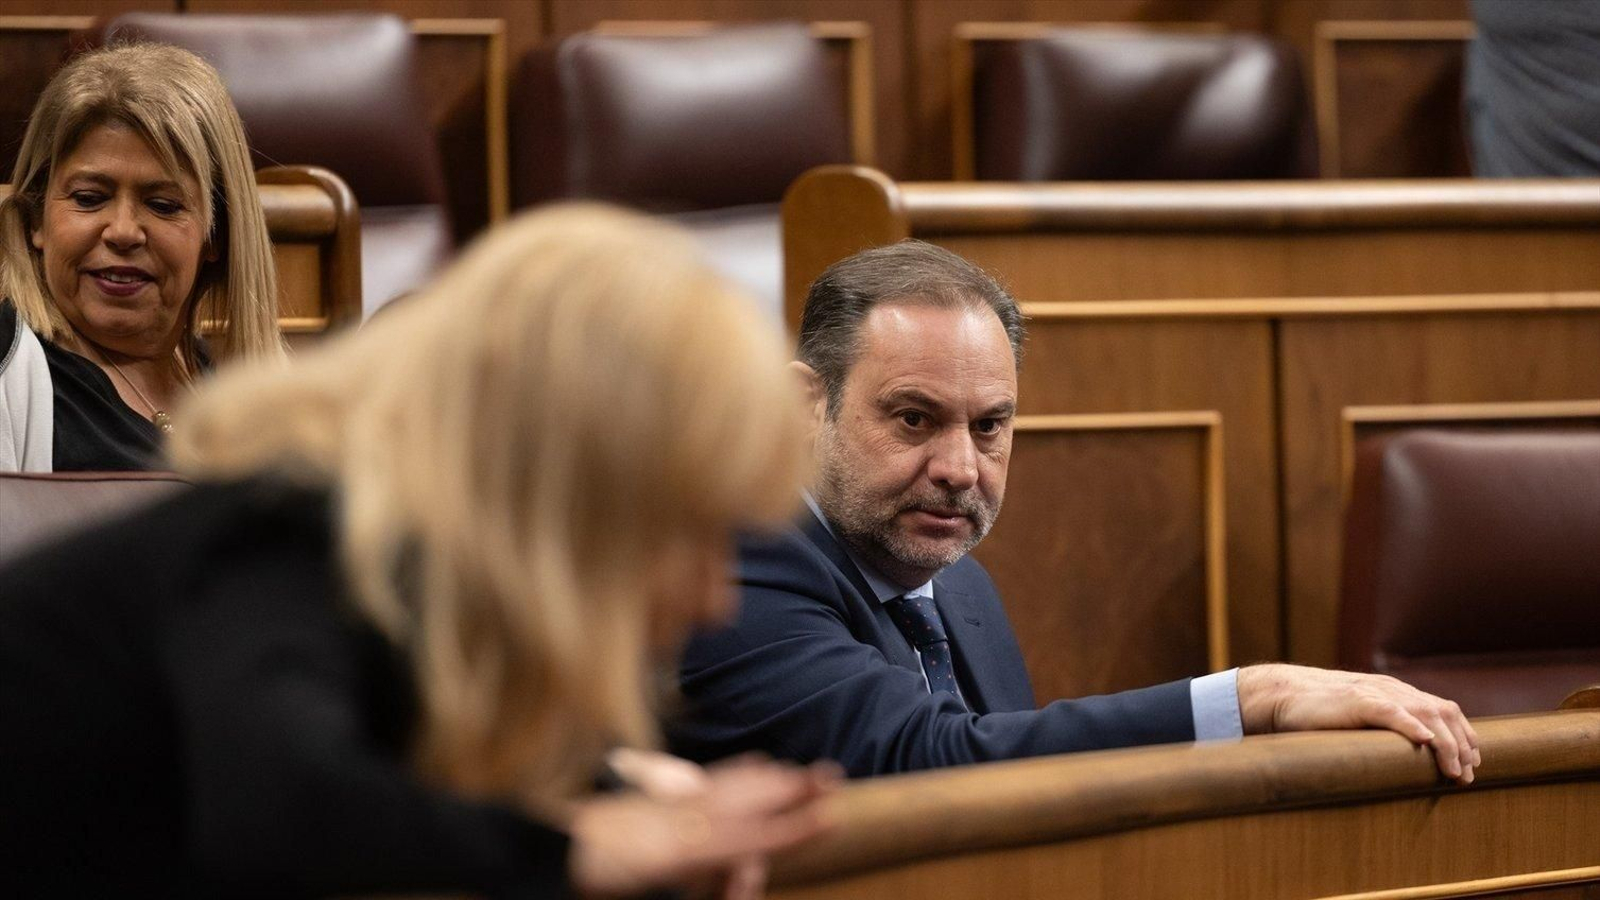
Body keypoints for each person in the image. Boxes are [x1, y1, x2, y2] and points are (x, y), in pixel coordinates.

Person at [0, 205, 835, 897]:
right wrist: (586, 843)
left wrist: (613, 788)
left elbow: (400, 764)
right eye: (687, 530)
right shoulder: (290, 529)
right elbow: (285, 806)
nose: (716, 598)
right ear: (574, 495)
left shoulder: (398, 563)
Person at [671, 240, 1481, 782]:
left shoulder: (959, 591)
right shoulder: (738, 568)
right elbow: (929, 762)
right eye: (913, 419)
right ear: (807, 405)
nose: (960, 469)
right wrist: (1250, 698)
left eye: (989, 426)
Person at [0, 43, 284, 472]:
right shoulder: (10, 367)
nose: (124, 232)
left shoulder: (229, 383)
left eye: (164, 205)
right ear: (35, 220)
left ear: (216, 234)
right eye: (90, 198)